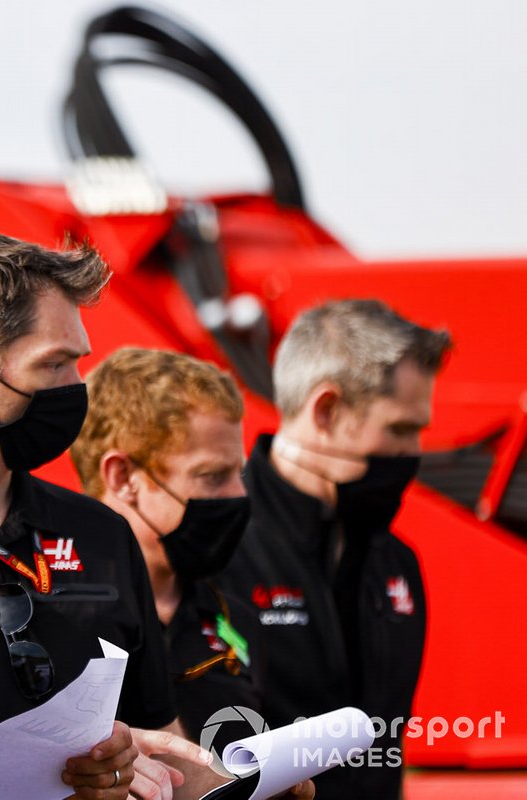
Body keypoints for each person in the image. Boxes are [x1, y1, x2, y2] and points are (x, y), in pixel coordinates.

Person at [0, 230, 235, 800]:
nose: (76, 389)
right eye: (55, 364)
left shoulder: (102, 535)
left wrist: (248, 788)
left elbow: (162, 748)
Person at [216, 298, 452, 799]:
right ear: (326, 410)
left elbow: (386, 753)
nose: (414, 454)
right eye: (401, 430)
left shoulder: (396, 564)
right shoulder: (215, 547)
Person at [70, 348, 262, 741]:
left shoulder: (233, 610)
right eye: (212, 476)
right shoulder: (56, 617)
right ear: (123, 476)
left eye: (238, 473)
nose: (238, 494)